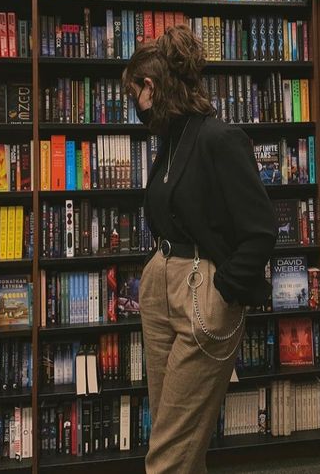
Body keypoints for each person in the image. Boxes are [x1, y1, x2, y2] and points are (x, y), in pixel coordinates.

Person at [122, 24, 277, 474]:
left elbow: (261, 230)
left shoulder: (218, 138)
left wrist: (222, 291)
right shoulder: (170, 142)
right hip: (160, 281)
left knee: (168, 453)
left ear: (149, 87)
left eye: (134, 92)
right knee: (176, 433)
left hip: (201, 291)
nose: (134, 104)